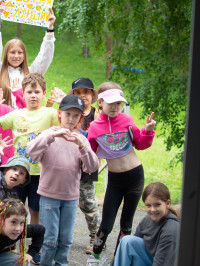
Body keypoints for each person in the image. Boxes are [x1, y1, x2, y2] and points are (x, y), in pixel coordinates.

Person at [0, 72, 58, 264]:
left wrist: (60, 103)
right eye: (29, 92)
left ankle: (34, 250)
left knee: (35, 212)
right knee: (12, 211)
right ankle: (9, 247)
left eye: (37, 92)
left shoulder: (50, 113)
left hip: (40, 174)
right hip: (19, 174)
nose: (33, 95)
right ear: (23, 94)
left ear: (44, 93)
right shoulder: (17, 114)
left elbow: (67, 125)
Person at [86, 85, 157, 265]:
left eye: (119, 103)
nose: (115, 107)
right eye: (111, 103)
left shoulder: (126, 120)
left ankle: (119, 258)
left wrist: (147, 130)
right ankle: (95, 257)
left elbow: (140, 144)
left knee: (127, 223)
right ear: (100, 102)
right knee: (107, 223)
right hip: (115, 180)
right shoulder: (94, 127)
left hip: (135, 177)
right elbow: (90, 155)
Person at [27, 95, 99, 265]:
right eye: (68, 114)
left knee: (66, 239)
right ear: (59, 113)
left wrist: (82, 146)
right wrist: (53, 136)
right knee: (50, 239)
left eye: (76, 116)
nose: (71, 119)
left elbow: (92, 166)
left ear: (81, 118)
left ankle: (61, 263)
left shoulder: (80, 139)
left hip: (71, 197)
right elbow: (32, 153)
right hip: (49, 195)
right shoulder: (50, 133)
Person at [0, 0, 56, 109]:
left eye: (20, 53)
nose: (16, 56)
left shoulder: (31, 73)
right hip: (2, 121)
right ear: (6, 54)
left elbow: (45, 57)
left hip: (24, 121)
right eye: (12, 52)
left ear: (24, 55)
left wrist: (50, 29)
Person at [69, 78, 101, 254]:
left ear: (92, 94)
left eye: (86, 92)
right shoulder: (71, 111)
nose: (82, 96)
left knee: (88, 203)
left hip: (86, 166)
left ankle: (95, 236)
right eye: (78, 93)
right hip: (67, 163)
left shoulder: (97, 114)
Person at [114, 182, 179, 266]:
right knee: (127, 241)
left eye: (157, 205)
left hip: (163, 263)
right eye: (148, 205)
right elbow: (130, 248)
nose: (152, 210)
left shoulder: (171, 229)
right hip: (150, 260)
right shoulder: (147, 219)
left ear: (167, 203)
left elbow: (162, 262)